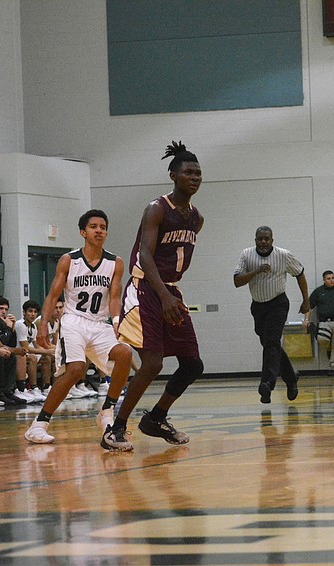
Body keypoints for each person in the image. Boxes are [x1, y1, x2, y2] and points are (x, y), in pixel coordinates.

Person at [109, 141, 206, 446]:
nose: (194, 177)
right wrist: (164, 297)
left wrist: (170, 294)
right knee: (152, 363)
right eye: (188, 172)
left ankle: (155, 418)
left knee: (192, 364)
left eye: (198, 173)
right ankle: (116, 427)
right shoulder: (157, 208)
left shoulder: (196, 218)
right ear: (173, 175)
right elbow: (145, 256)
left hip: (169, 290)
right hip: (145, 289)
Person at [24, 210, 135, 450]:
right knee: (75, 369)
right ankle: (38, 424)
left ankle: (107, 411)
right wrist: (43, 324)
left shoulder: (115, 262)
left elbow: (114, 296)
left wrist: (116, 319)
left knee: (125, 354)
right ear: (83, 232)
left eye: (103, 227)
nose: (99, 231)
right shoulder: (69, 260)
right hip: (74, 321)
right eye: (94, 226)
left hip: (100, 323)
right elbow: (54, 294)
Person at [234, 226, 310, 403]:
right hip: (258, 306)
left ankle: (267, 383)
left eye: (267, 239)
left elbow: (300, 274)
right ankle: (291, 378)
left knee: (272, 342)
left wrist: (306, 302)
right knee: (269, 343)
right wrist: (257, 271)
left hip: (278, 303)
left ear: (272, 240)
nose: (263, 242)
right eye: (260, 238)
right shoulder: (246, 255)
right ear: (255, 240)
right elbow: (237, 281)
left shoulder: (283, 255)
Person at [14, 300, 52, 402]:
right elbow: (26, 347)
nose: (33, 314)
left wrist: (49, 351)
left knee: (47, 357)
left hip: (26, 353)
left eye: (35, 312)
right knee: (33, 358)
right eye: (30, 311)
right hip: (17, 353)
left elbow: (35, 345)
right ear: (24, 312)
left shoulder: (34, 326)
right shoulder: (20, 324)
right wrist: (45, 351)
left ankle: (46, 387)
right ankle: (33, 387)